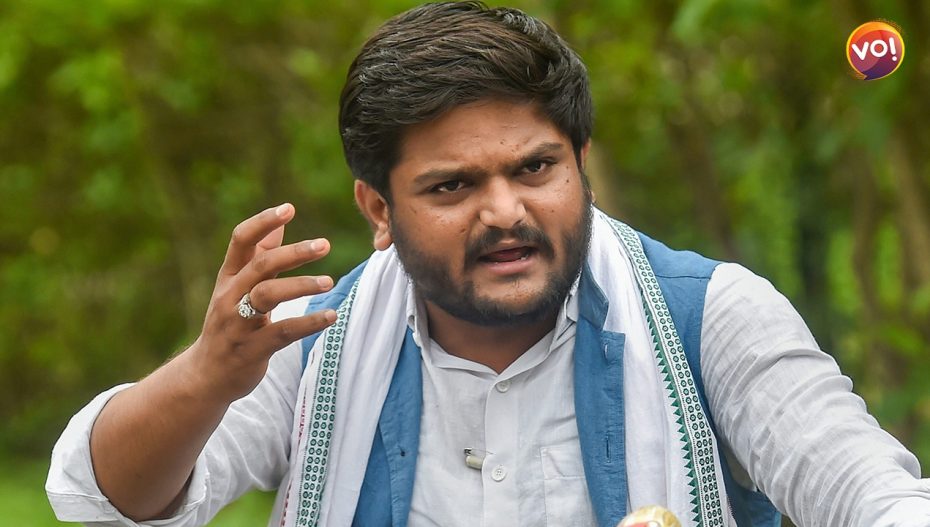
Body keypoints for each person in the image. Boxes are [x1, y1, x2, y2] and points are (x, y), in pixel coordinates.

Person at [46, 2, 930, 526]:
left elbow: (866, 490)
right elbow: (102, 499)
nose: (505, 211)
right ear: (378, 209)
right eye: (453, 185)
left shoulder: (709, 317)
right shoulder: (313, 341)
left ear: (581, 163)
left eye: (535, 169)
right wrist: (205, 377)